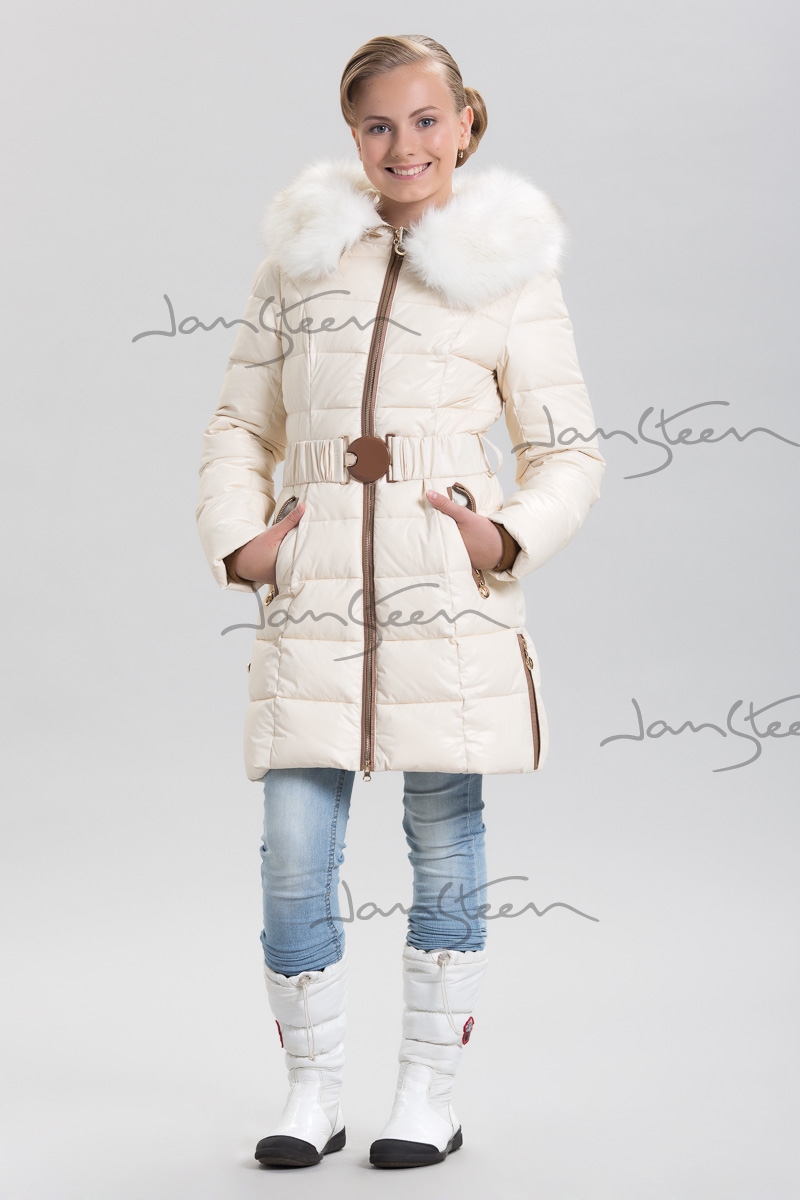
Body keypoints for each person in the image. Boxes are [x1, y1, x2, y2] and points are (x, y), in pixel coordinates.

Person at [195, 32, 605, 1171]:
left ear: (465, 122)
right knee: (292, 853)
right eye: (377, 124)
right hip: (314, 597)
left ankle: (427, 1093)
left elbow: (568, 450)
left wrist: (501, 536)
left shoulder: (510, 271)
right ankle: (311, 1092)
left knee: (445, 842)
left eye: (425, 120)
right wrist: (242, 543)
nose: (403, 145)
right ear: (352, 134)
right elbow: (238, 424)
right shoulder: (300, 261)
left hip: (446, 600)